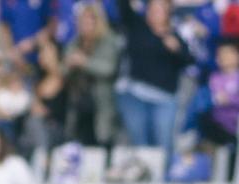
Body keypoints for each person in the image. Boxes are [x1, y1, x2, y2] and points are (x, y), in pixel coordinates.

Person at [114, 0, 193, 154]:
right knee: (140, 143)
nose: (156, 11)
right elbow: (123, 6)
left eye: (160, 8)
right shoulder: (137, 26)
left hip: (164, 97)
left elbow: (189, 61)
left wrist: (176, 49)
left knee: (163, 142)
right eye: (153, 7)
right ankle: (143, 176)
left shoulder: (174, 35)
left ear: (168, 12)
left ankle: (162, 177)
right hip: (135, 95)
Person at [61, 2, 121, 146]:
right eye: (82, 20)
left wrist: (85, 62)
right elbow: (62, 71)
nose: (85, 24)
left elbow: (109, 69)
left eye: (89, 19)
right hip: (79, 103)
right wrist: (68, 65)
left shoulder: (109, 40)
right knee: (81, 145)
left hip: (101, 103)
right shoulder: (74, 43)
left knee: (102, 143)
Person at [197, 41, 239, 152]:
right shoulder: (214, 77)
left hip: (235, 127)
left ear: (238, 57)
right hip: (215, 124)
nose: (225, 58)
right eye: (221, 55)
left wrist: (230, 100)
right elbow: (209, 100)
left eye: (228, 55)